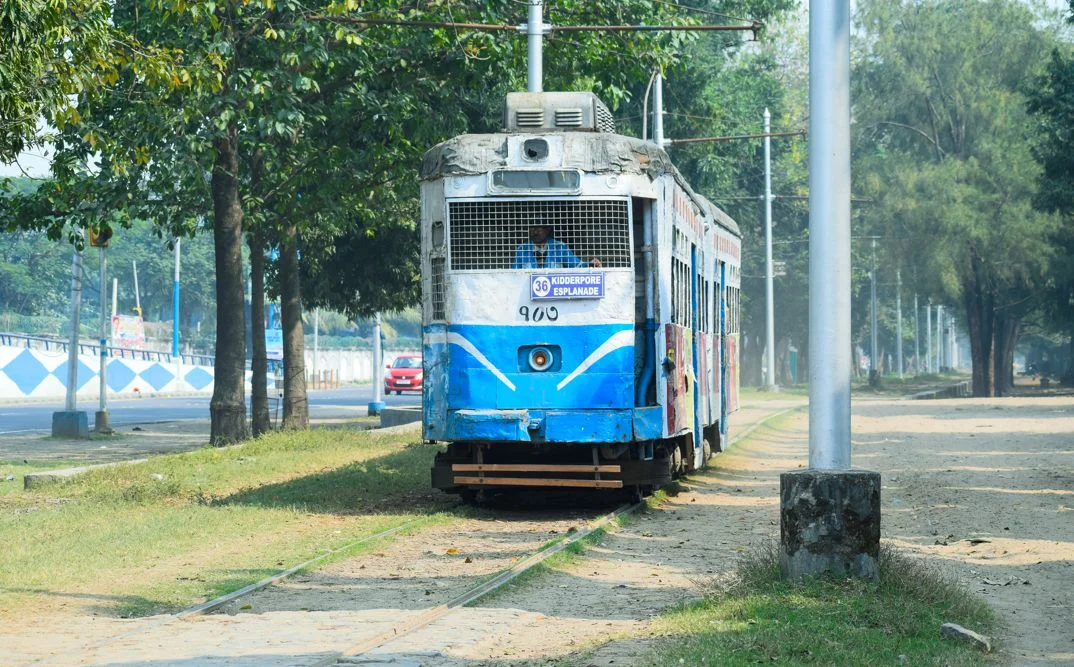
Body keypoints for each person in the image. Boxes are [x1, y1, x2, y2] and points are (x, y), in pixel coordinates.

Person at [512, 222, 602, 269]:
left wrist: (590, 265)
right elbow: (514, 273)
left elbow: (576, 266)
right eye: (532, 228)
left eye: (538, 228)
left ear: (547, 230)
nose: (534, 232)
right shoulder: (522, 250)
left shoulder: (560, 248)